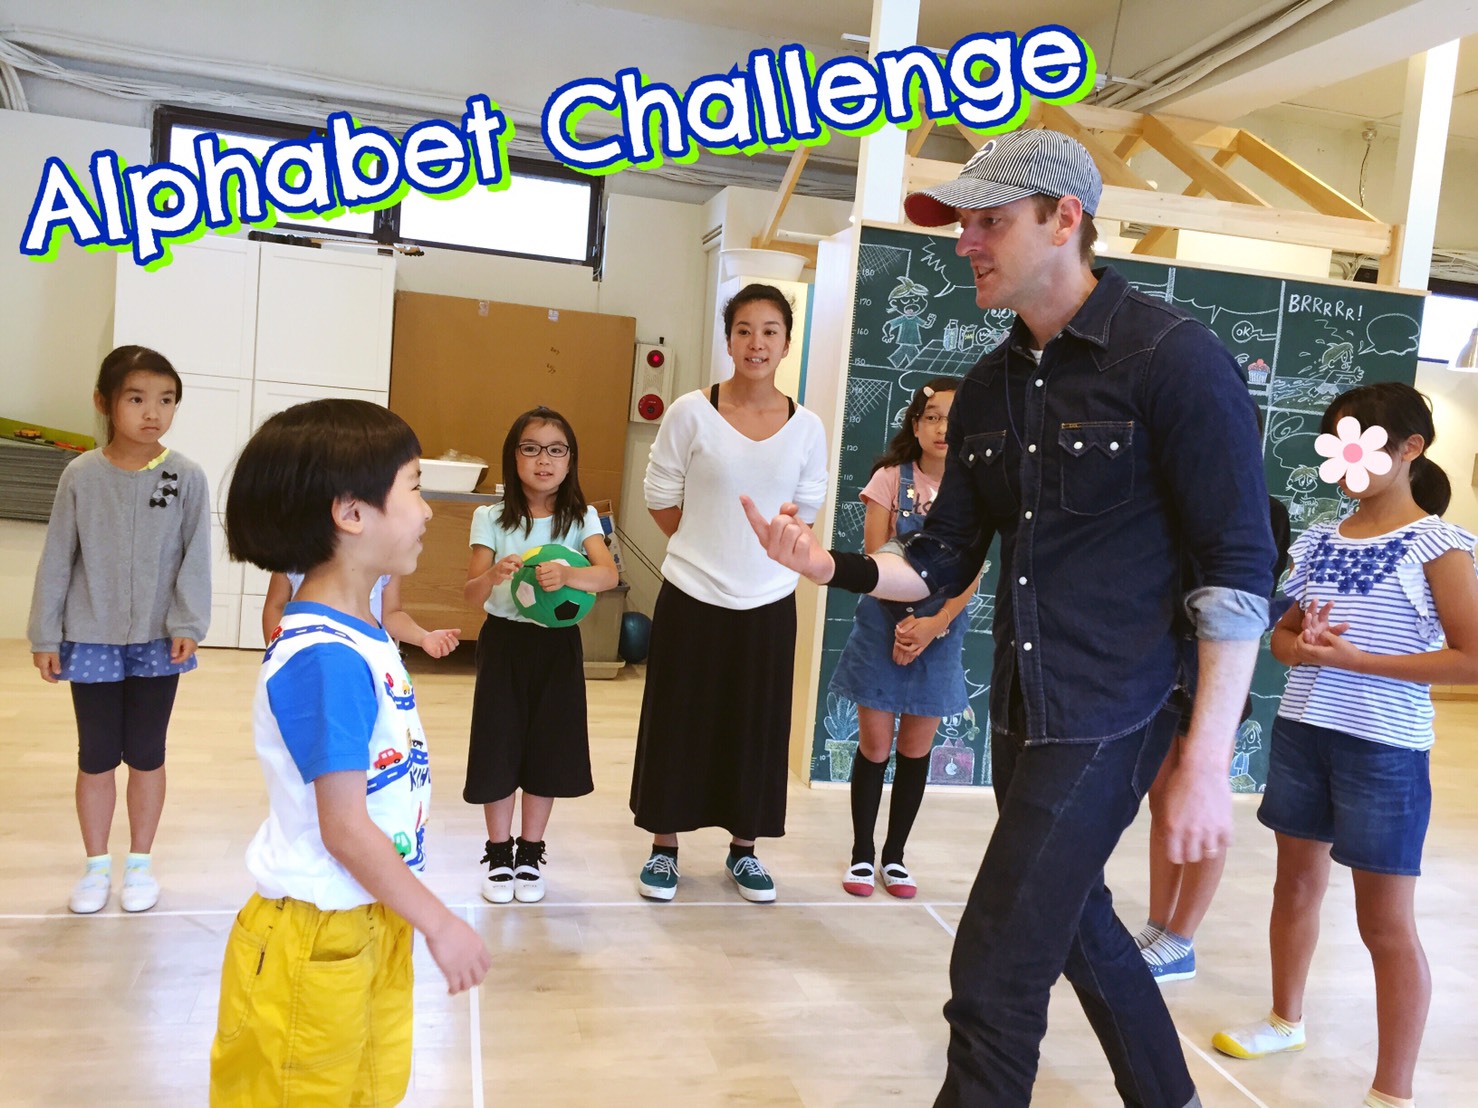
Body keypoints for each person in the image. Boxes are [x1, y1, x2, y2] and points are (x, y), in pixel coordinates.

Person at [743, 128, 1276, 1107]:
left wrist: (1205, 758)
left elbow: (1238, 568)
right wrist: (827, 564)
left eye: (987, 222)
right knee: (1074, 920)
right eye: (963, 226)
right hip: (1024, 706)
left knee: (995, 962)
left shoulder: (1172, 359)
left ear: (1063, 219)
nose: (965, 244)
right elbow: (941, 557)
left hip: (1117, 705)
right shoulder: (987, 387)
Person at [211, 398, 490, 1105]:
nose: (427, 510)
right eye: (415, 487)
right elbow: (342, 826)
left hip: (370, 917)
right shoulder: (325, 657)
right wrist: (440, 921)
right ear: (351, 513)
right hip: (316, 939)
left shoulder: (364, 633)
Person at [1214, 383, 1478, 1108]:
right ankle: (1284, 1020)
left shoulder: (1440, 544)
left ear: (1411, 449)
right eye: (1339, 441)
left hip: (1384, 749)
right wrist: (1302, 647)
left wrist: (1362, 662)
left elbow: (1471, 659)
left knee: (1384, 921)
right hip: (1305, 732)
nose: (1349, 457)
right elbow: (1281, 638)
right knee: (1294, 886)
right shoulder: (1319, 539)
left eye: (1365, 442)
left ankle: (1393, 1090)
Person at [630, 282, 828, 903]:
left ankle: (745, 850)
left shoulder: (807, 427)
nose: (756, 343)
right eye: (744, 330)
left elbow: (807, 510)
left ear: (787, 343)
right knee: (677, 722)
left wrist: (756, 555)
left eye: (770, 331)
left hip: (769, 601)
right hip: (691, 593)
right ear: (729, 339)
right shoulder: (691, 411)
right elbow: (660, 495)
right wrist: (703, 543)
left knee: (756, 727)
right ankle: (664, 848)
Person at [28, 345, 211, 915]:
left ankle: (139, 865)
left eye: (166, 400)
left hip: (159, 641)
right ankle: (95, 867)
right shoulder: (81, 475)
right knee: (97, 755)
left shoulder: (186, 475)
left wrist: (188, 621)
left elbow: (195, 557)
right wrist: (45, 634)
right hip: (91, 638)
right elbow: (58, 556)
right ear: (104, 402)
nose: (153, 412)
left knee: (148, 754)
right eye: (136, 398)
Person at [830, 378, 979, 899]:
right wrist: (905, 622)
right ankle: (862, 855)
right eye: (932, 416)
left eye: (953, 419)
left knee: (916, 749)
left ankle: (895, 858)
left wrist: (934, 625)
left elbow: (972, 570)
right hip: (883, 626)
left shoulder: (975, 488)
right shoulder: (890, 479)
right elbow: (876, 562)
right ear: (915, 426)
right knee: (875, 746)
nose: (942, 428)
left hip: (941, 633)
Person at [462, 407, 618, 904]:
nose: (543, 460)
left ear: (570, 460)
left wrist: (568, 574)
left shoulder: (581, 517)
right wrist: (493, 576)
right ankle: (498, 853)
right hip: (504, 643)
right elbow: (470, 593)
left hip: (557, 646)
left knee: (547, 747)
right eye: (531, 448)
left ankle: (530, 853)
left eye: (556, 450)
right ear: (514, 457)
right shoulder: (490, 517)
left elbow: (608, 575)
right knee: (498, 743)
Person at [1137, 491, 1292, 981]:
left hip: (1215, 667)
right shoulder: (1164, 498)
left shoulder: (1265, 510)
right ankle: (1158, 925)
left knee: (1201, 802)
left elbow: (1252, 595)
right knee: (1163, 801)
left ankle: (1181, 938)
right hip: (1160, 663)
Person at [262, 571, 460, 657]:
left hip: (365, 661)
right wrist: (277, 652)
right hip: (306, 658)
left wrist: (423, 637)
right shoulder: (294, 552)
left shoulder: (386, 560)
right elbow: (275, 606)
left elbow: (391, 614)